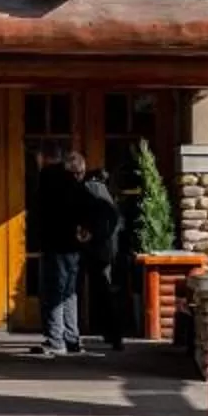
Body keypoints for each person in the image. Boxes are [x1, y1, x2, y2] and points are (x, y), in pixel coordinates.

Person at [33, 149, 92, 356]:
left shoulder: (49, 180)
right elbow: (85, 210)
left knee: (54, 292)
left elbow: (40, 211)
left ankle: (56, 340)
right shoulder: (77, 186)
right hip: (73, 246)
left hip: (55, 243)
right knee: (69, 292)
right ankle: (72, 338)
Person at [79, 157, 130, 352]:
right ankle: (113, 334)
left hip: (101, 253)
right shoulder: (109, 199)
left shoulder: (92, 193)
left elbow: (100, 227)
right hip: (112, 252)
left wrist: (88, 238)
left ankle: (112, 334)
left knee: (105, 294)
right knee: (109, 294)